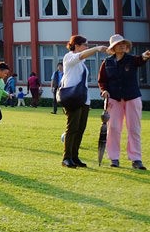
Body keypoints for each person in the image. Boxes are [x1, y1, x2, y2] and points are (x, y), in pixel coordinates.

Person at [97, 34, 150, 170]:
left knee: (134, 129)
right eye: (119, 44)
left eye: (124, 44)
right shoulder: (107, 62)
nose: (123, 45)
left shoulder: (132, 60)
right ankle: (114, 158)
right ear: (113, 47)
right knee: (113, 128)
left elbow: (141, 59)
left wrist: (146, 55)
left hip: (132, 98)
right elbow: (102, 81)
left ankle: (136, 159)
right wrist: (104, 91)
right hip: (114, 99)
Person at [60, 35, 108, 168]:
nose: (87, 47)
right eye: (85, 45)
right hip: (72, 98)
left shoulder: (81, 63)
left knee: (80, 129)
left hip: (82, 99)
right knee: (72, 128)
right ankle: (66, 157)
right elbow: (80, 56)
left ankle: (74, 157)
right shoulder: (69, 57)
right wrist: (97, 49)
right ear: (76, 45)